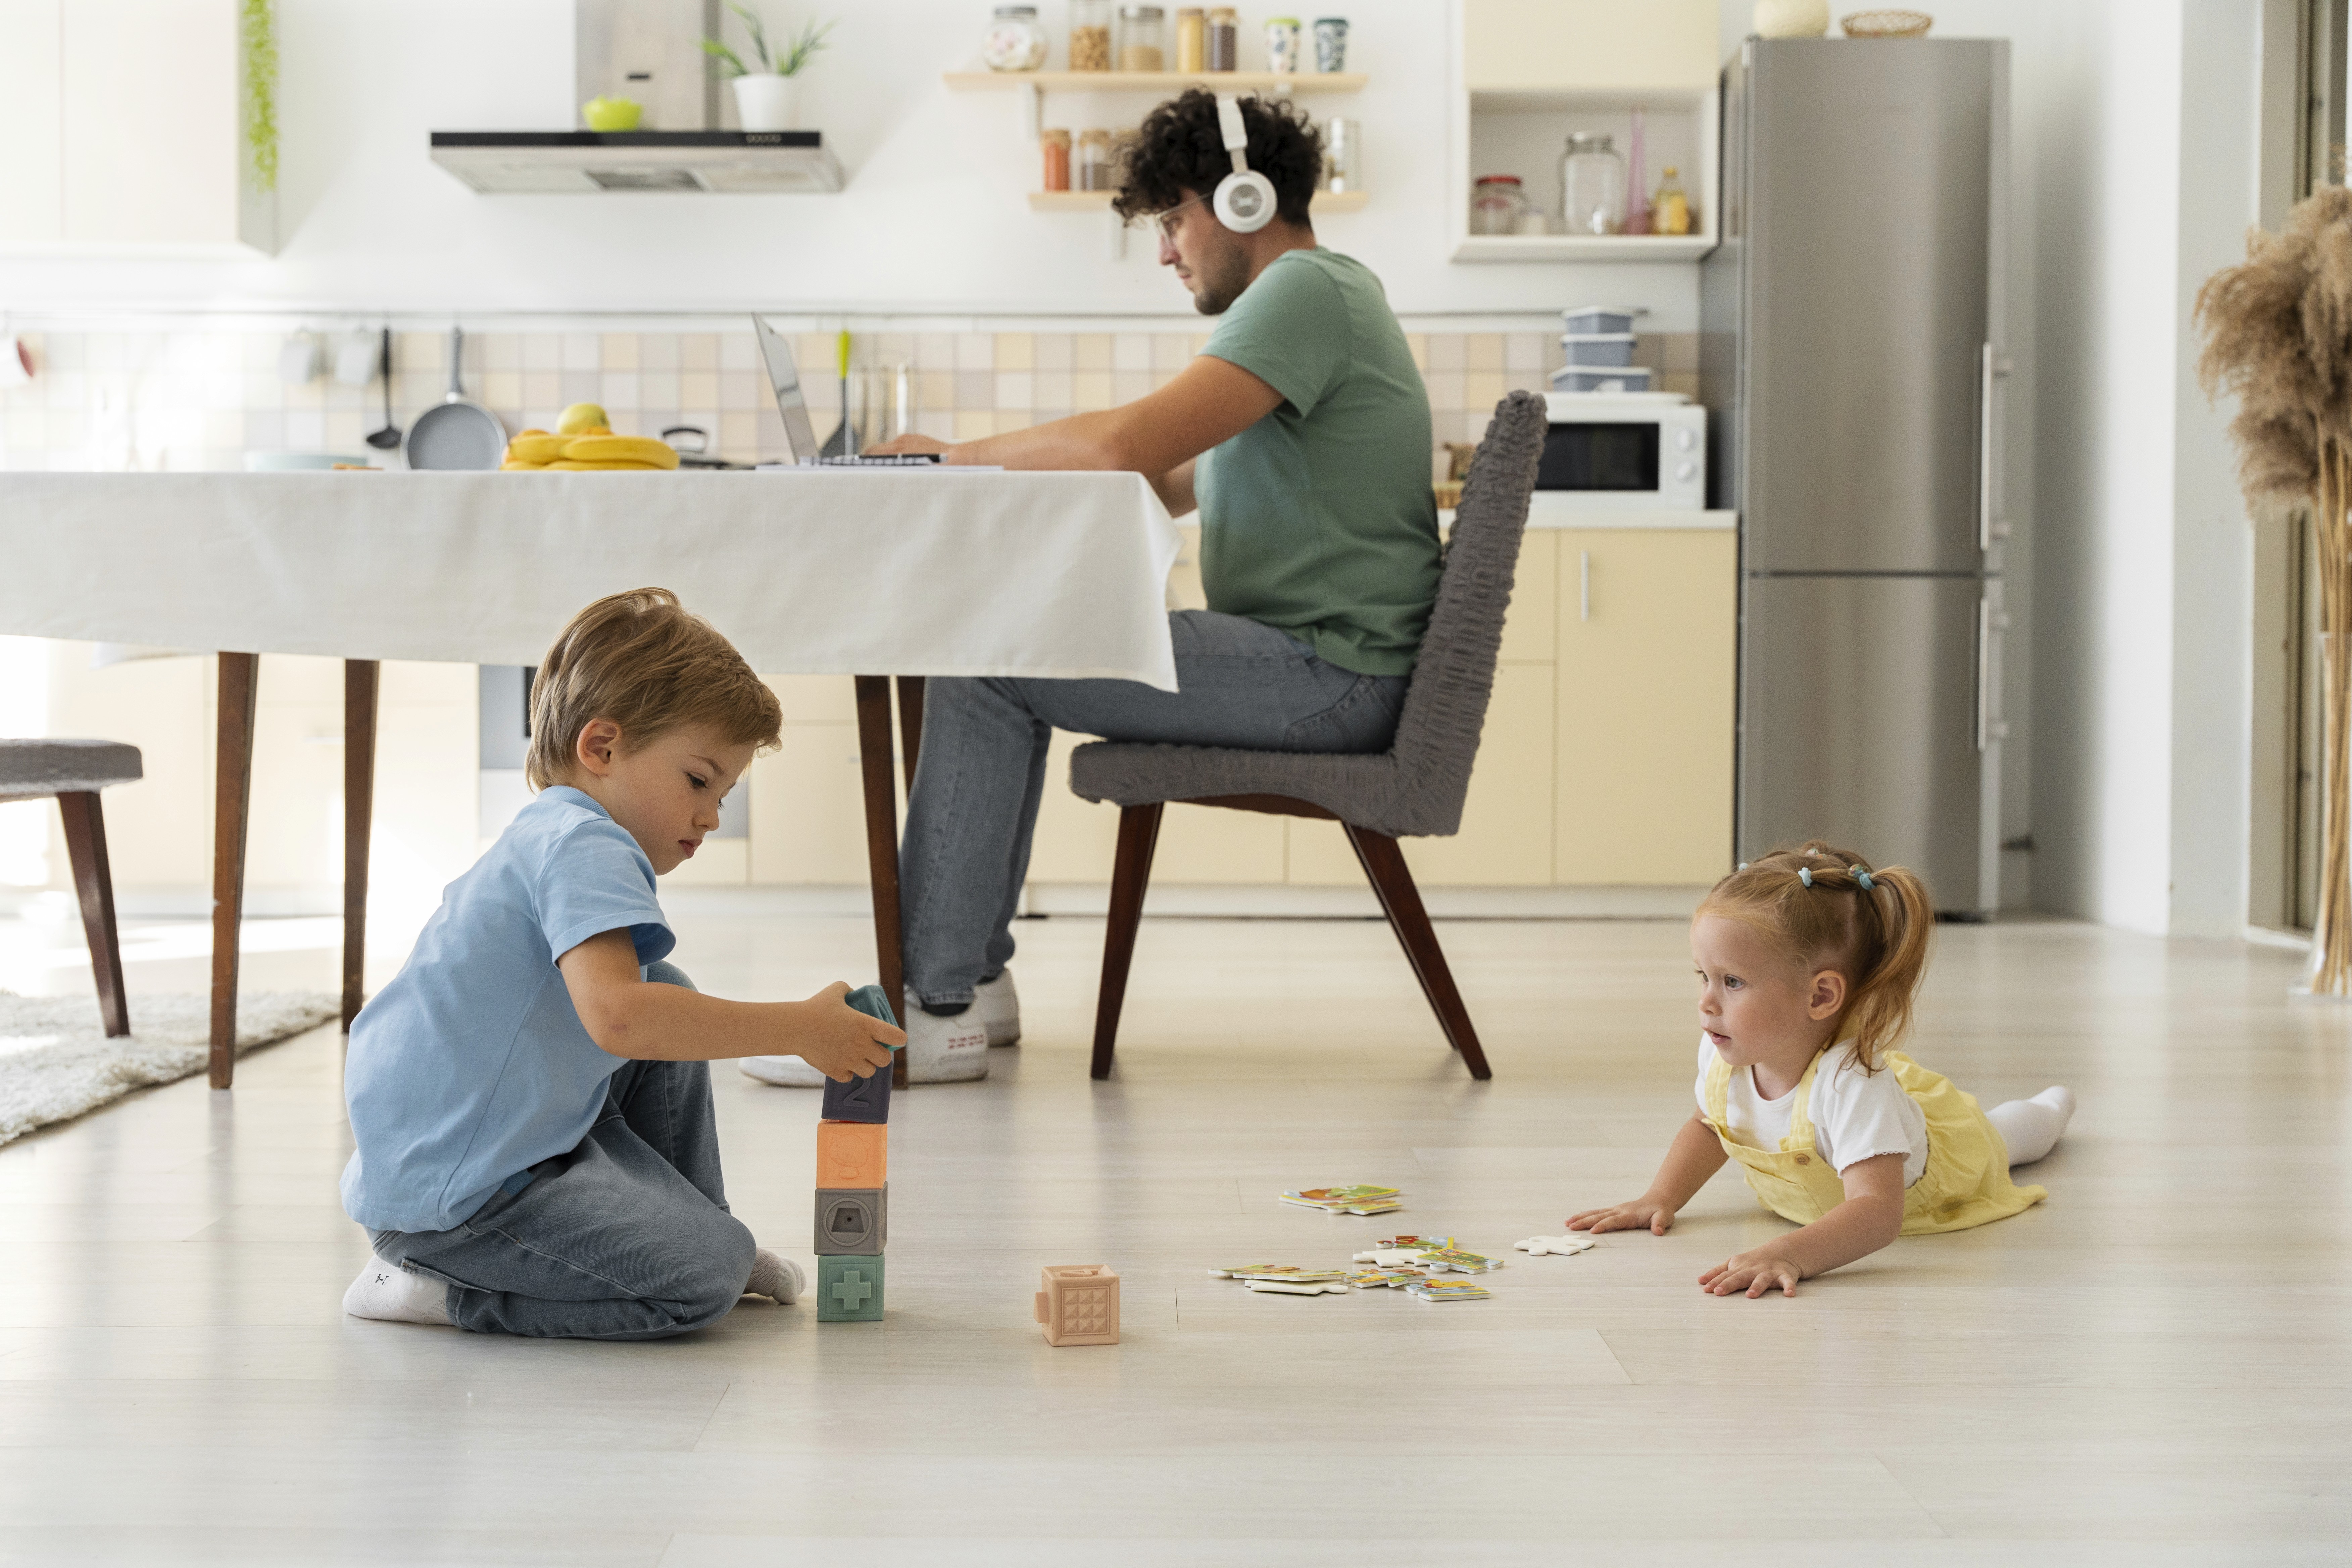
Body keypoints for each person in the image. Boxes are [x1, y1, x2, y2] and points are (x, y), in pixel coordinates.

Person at [742, 89, 1439, 1085]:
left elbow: (1123, 446)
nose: (1165, 253)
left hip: (1328, 673)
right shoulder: (1314, 308)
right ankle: (969, 986)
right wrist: (990, 503)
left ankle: (932, 1007)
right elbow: (1155, 482)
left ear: (1242, 199)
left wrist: (947, 461)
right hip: (1318, 662)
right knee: (1001, 642)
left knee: (989, 662)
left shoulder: (1305, 294)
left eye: (1172, 220)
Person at [337, 588, 904, 1339]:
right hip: (457, 1205)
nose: (711, 815)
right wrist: (798, 1028)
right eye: (699, 780)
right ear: (602, 749)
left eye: (724, 793)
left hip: (474, 1149)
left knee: (663, 987)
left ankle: (700, 1230)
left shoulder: (557, 830)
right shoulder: (585, 843)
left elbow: (633, 1014)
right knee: (703, 1282)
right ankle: (438, 1291)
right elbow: (620, 1020)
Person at [1570, 841, 2076, 1298]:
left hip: (1939, 1179)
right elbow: (1708, 1128)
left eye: (1733, 982)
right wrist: (1660, 1197)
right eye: (1704, 976)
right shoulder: (1725, 1055)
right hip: (1843, 1166)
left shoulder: (1852, 1085)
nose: (1706, 1002)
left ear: (1821, 996)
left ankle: (2052, 1109)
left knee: (2000, 1138)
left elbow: (1878, 1213)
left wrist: (1791, 1253)